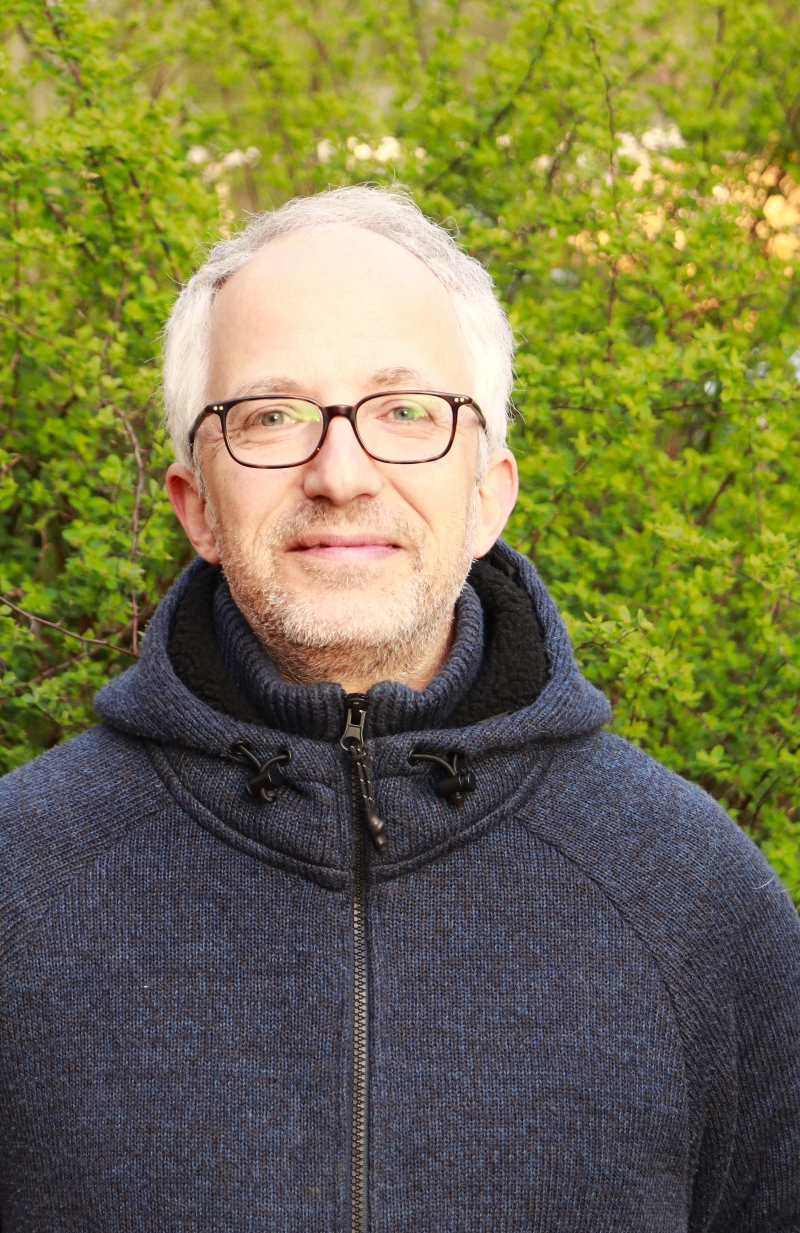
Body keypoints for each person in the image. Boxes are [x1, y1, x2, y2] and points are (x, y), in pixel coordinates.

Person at [0, 185, 798, 1233]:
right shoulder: (21, 885)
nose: (340, 473)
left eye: (405, 411)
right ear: (196, 504)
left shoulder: (689, 894)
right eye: (271, 415)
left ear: (488, 492)